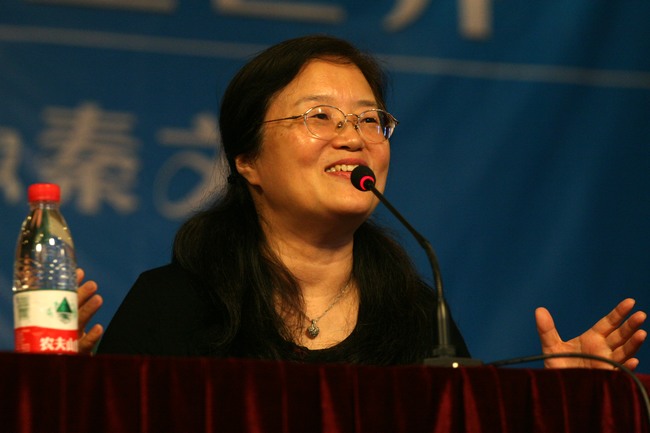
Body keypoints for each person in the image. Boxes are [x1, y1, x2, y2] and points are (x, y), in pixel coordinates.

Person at [84, 34, 645, 367]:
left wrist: (558, 404)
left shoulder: (416, 316)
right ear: (247, 160)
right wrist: (66, 390)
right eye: (320, 116)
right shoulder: (173, 304)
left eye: (369, 120)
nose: (352, 138)